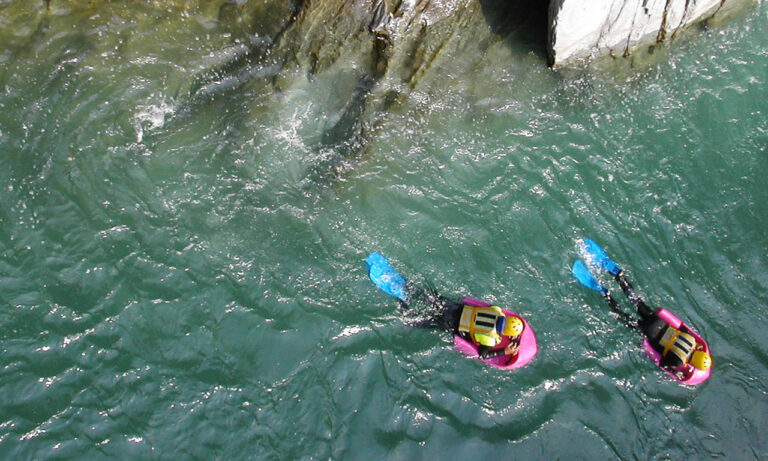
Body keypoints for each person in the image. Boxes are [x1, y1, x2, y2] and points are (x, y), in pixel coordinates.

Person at [366, 252, 522, 360]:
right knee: (411, 321)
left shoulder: (496, 311)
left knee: (427, 296)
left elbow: (495, 312)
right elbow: (483, 354)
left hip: (453, 307)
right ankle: (402, 299)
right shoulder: (489, 338)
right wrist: (504, 351)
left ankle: (407, 287)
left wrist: (510, 331)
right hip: (450, 323)